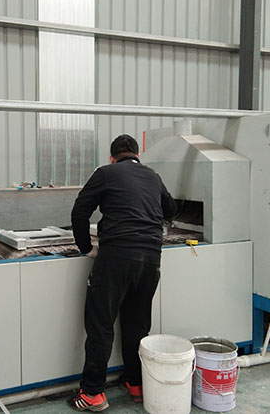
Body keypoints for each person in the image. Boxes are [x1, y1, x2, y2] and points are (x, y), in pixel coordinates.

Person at [67, 134, 178, 412]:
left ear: (112, 157)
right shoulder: (153, 176)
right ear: (138, 155)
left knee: (101, 324)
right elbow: (171, 209)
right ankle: (136, 383)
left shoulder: (105, 173)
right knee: (137, 324)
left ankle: (92, 393)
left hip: (116, 257)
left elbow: (80, 211)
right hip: (151, 259)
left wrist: (85, 248)